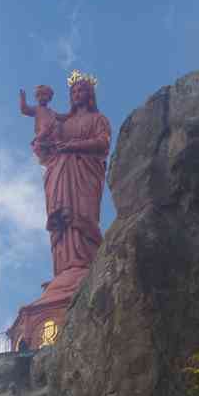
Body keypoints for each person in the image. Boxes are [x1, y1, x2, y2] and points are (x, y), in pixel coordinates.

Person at [43, 73, 111, 279]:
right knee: (64, 219)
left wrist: (73, 146)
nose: (77, 94)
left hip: (85, 172)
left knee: (83, 214)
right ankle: (65, 268)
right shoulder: (63, 123)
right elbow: (48, 148)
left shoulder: (98, 119)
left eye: (81, 90)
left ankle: (85, 265)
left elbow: (103, 144)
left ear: (90, 94)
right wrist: (43, 141)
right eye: (73, 91)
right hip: (61, 172)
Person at [19, 85, 69, 165]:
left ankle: (57, 142)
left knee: (57, 125)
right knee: (39, 144)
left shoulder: (51, 112)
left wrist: (73, 112)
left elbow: (62, 117)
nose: (41, 97)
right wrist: (22, 99)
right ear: (36, 98)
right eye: (38, 95)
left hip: (53, 133)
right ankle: (44, 157)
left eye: (44, 95)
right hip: (43, 132)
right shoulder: (37, 109)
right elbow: (24, 110)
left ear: (49, 98)